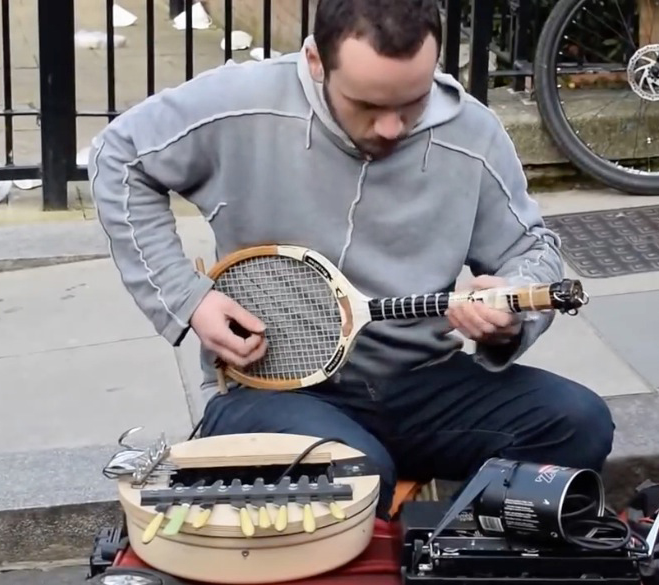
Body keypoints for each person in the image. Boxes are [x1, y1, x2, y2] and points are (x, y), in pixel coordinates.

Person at [87, 0, 615, 518]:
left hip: (422, 381)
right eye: (367, 105)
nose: (391, 127)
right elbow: (119, 157)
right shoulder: (240, 102)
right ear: (315, 61)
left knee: (580, 422)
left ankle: (439, 552)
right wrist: (189, 299)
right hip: (270, 390)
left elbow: (532, 247)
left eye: (412, 102)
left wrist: (508, 312)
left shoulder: (472, 132)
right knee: (356, 473)